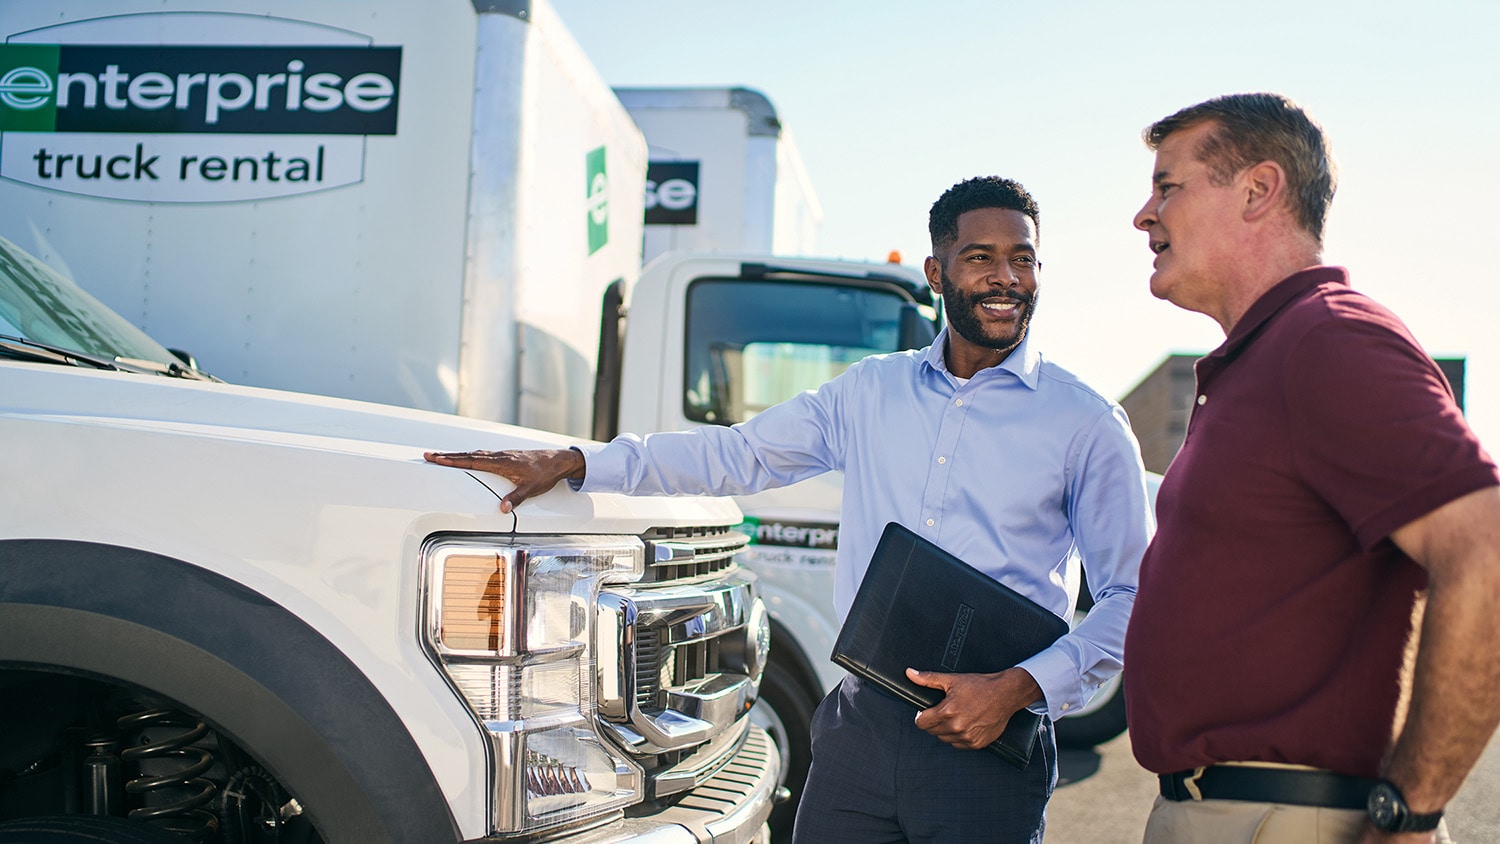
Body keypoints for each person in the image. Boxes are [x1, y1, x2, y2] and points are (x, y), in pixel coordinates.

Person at [426, 176, 1153, 843]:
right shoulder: (870, 391)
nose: (1005, 278)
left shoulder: (1085, 423)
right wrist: (582, 462)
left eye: (1023, 260)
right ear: (937, 273)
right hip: (860, 729)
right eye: (981, 257)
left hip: (988, 743)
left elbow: (1135, 599)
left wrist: (1018, 690)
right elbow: (735, 456)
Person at [1123, 92, 1500, 844]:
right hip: (1230, 812)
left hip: (1284, 820)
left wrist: (1409, 813)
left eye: (1169, 186)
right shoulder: (1268, 356)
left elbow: (1487, 555)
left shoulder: (1329, 341)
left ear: (1259, 191)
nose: (1144, 214)